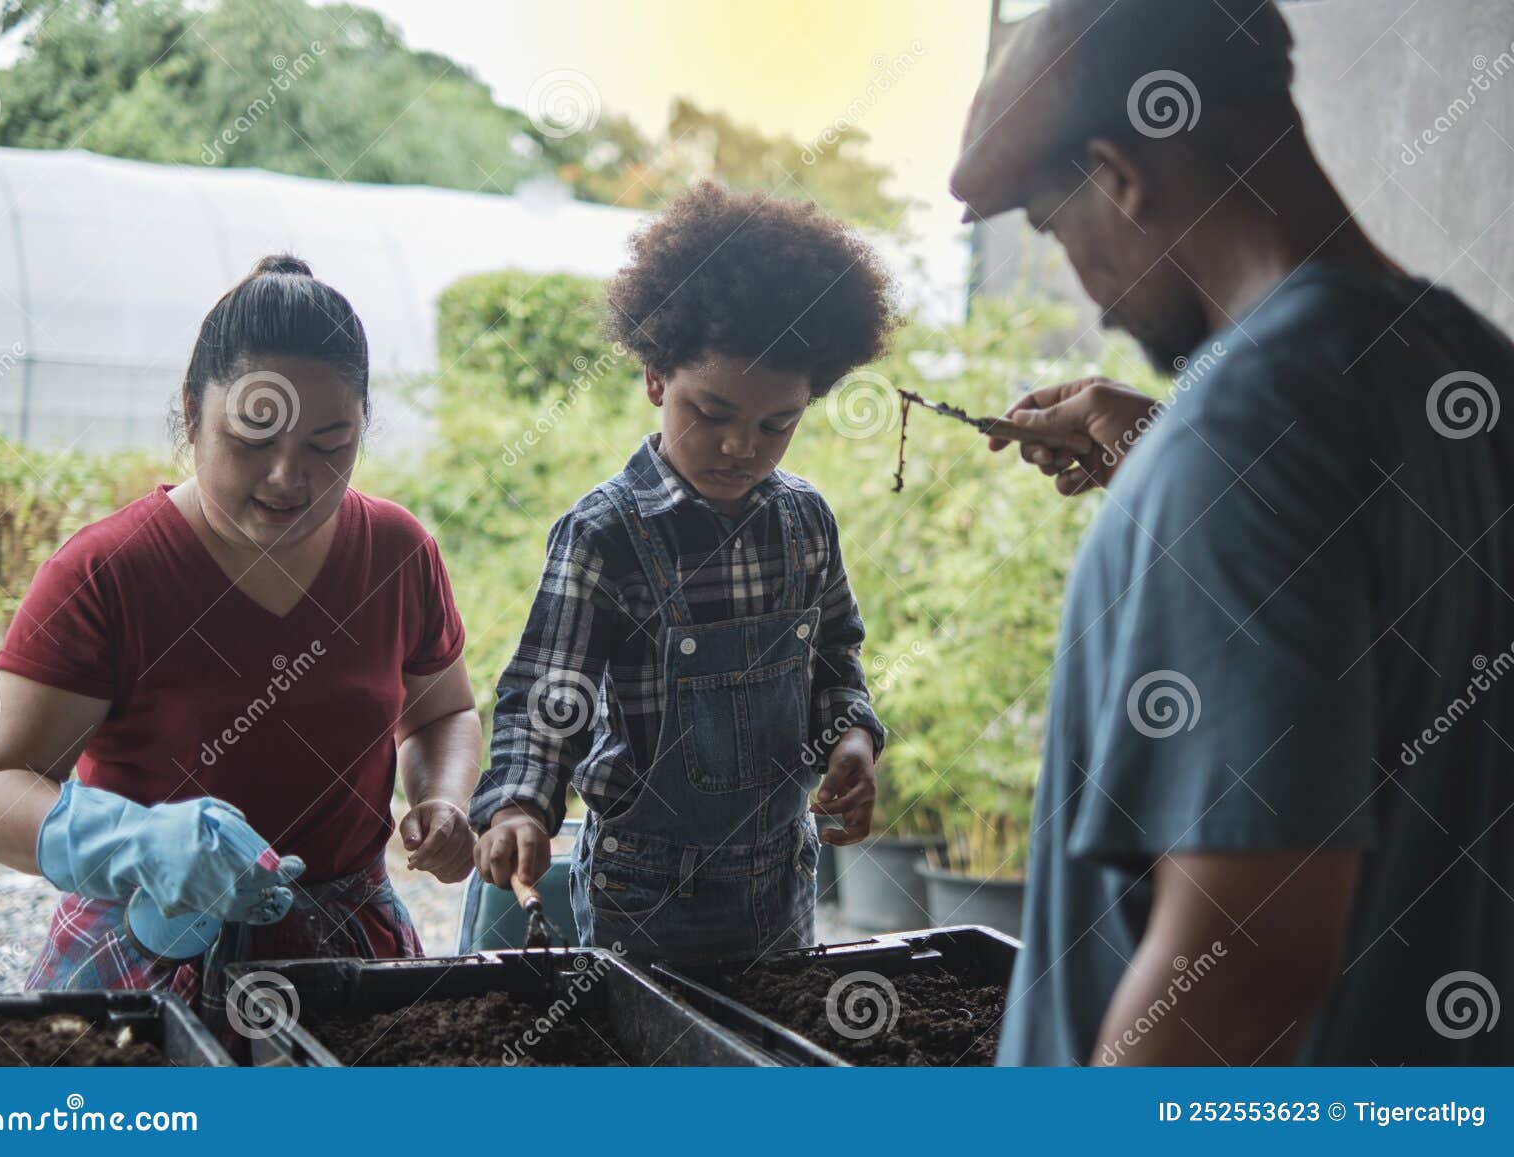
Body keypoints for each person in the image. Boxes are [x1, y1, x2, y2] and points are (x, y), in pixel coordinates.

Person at [951, 0, 1513, 1064]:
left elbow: (1245, 967)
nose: (1088, 289)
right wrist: (1179, 459)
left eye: (1049, 223)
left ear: (1118, 173)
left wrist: (1201, 466)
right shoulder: (1468, 365)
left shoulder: (1242, 439)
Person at [0, 255, 482, 1013]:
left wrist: (443, 797)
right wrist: (135, 842)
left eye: (330, 444)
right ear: (192, 411)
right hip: (150, 947)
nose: (286, 479)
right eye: (254, 439)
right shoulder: (108, 572)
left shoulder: (396, 553)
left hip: (343, 947)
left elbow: (442, 712)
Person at [469, 183, 897, 964]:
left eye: (777, 424)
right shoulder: (604, 535)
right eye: (713, 413)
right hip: (641, 893)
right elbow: (545, 696)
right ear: (657, 379)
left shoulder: (804, 524)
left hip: (778, 880)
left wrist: (852, 739)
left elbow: (837, 658)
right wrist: (521, 806)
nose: (742, 447)